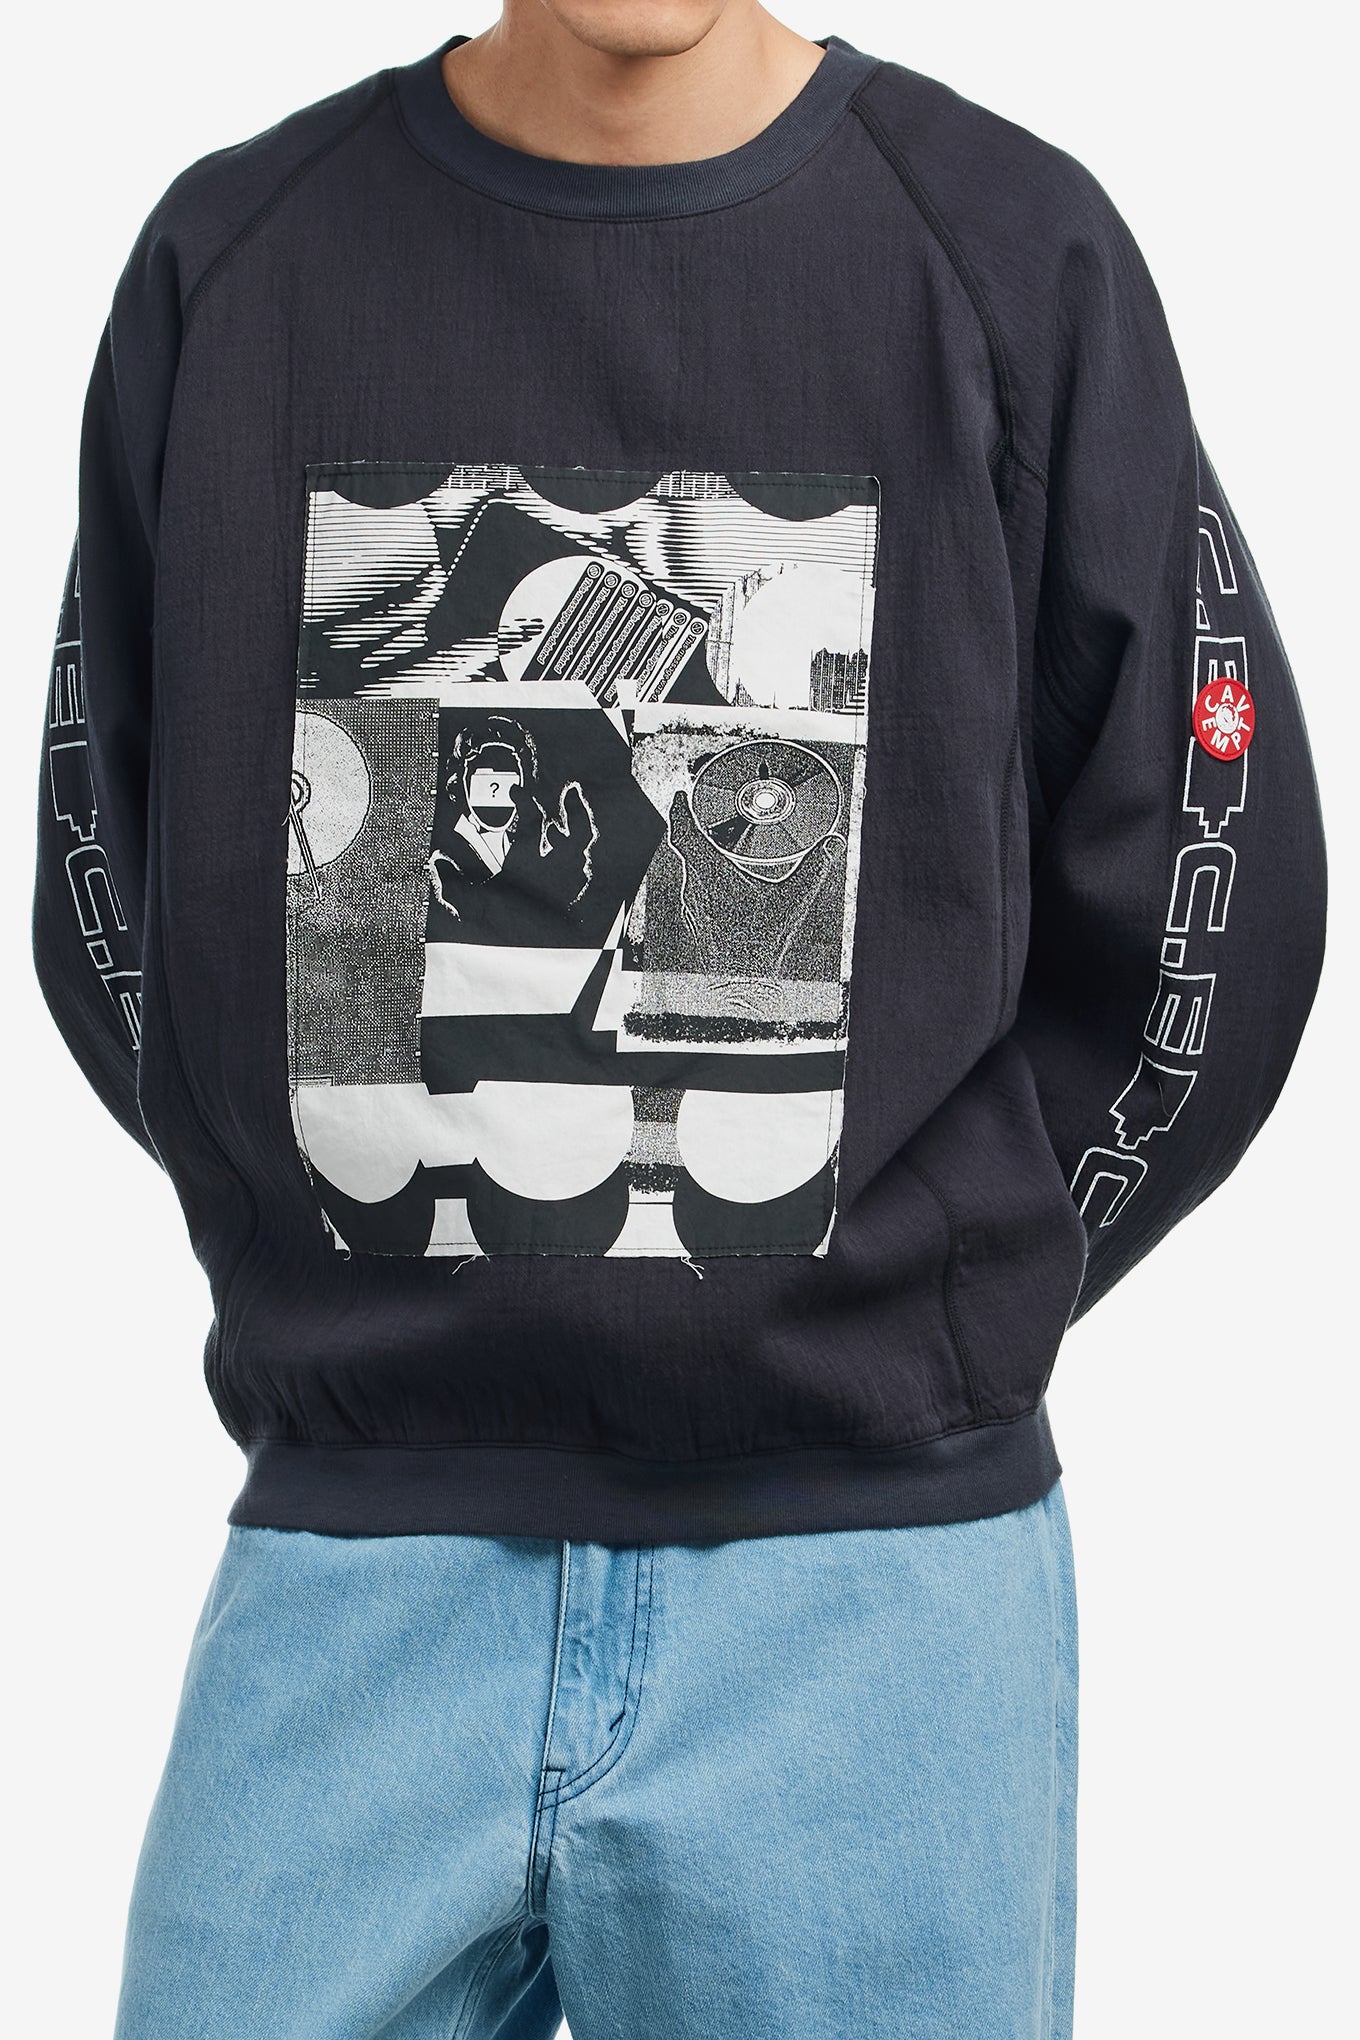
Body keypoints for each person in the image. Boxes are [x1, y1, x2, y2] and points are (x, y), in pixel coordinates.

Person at [30, 3, 1326, 2034]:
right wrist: (339, 1238)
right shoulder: (238, 263)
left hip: (867, 1610)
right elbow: (114, 873)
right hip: (357, 1556)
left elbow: (1203, 901)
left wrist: (923, 1292)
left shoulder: (1009, 256)